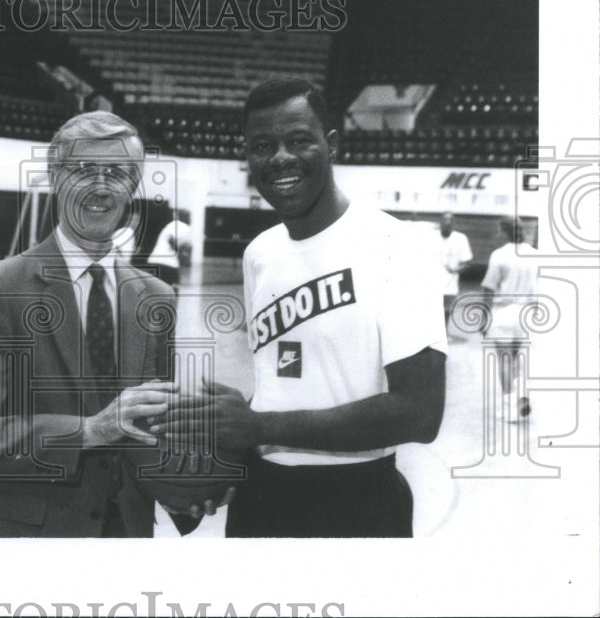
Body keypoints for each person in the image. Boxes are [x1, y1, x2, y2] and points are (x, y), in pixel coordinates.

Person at [159, 77, 447, 538]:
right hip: (262, 497)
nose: (281, 159)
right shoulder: (260, 254)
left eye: (298, 141)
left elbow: (419, 412)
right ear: (247, 155)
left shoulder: (398, 244)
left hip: (359, 499)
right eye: (262, 145)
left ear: (331, 144)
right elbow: (286, 380)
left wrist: (257, 424)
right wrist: (223, 451)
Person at [0, 111, 211, 538]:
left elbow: (148, 427)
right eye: (83, 170)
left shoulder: (156, 297)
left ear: (133, 186)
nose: (101, 188)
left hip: (127, 537)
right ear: (54, 177)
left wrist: (193, 488)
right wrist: (87, 432)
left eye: (117, 173)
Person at [481, 216, 538, 422]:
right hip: (526, 312)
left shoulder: (499, 255)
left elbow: (488, 289)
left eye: (499, 231)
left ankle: (509, 408)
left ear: (505, 231)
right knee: (517, 359)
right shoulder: (534, 255)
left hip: (504, 312)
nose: (498, 235)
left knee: (504, 360)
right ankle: (522, 395)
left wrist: (484, 317)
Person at [437, 212, 473, 329]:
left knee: (447, 310)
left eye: (449, 222)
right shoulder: (431, 237)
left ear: (453, 224)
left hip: (450, 282)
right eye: (444, 221)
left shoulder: (461, 239)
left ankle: (444, 333)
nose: (446, 224)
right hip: (432, 282)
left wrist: (455, 269)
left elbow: (467, 264)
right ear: (440, 223)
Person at [147, 209, 193, 295]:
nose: (190, 219)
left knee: (154, 293)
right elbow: (171, 238)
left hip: (153, 261)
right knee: (173, 293)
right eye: (189, 217)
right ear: (186, 217)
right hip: (168, 264)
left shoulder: (170, 225)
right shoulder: (184, 227)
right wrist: (177, 249)